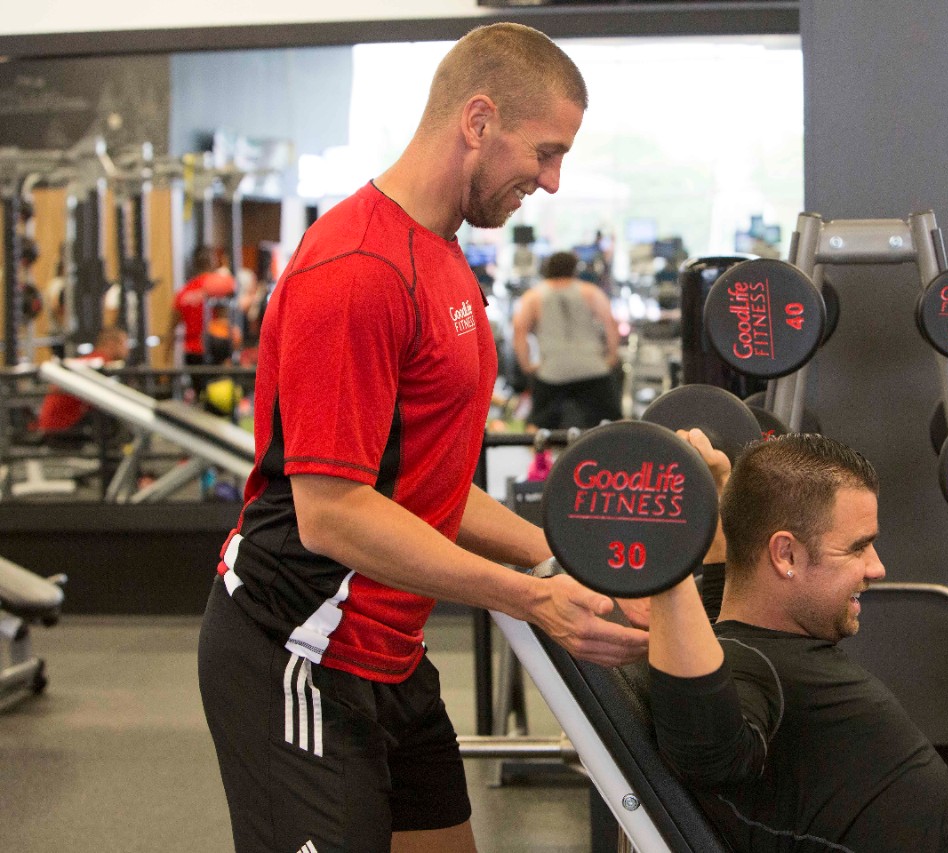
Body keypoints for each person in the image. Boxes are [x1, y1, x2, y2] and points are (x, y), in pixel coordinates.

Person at [197, 22, 648, 853]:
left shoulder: (441, 256)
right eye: (544, 153)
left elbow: (427, 485)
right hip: (298, 650)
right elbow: (331, 515)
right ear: (478, 121)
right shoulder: (358, 268)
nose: (551, 182)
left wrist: (562, 555)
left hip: (391, 653)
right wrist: (529, 596)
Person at [648, 432, 948, 852]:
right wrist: (663, 549)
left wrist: (718, 485)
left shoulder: (742, 629)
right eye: (858, 548)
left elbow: (728, 581)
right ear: (786, 555)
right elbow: (707, 751)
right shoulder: (748, 670)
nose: (877, 568)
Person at [511, 250, 621, 431]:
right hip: (592, 368)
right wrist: (611, 356)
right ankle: (618, 458)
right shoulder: (589, 291)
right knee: (615, 422)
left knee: (536, 426)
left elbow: (519, 331)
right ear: (574, 269)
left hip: (552, 372)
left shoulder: (533, 296)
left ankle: (539, 458)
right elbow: (611, 324)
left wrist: (527, 366)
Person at [36, 328, 129, 440]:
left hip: (54, 426)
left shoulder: (91, 361)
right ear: (111, 343)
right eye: (124, 344)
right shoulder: (100, 363)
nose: (127, 349)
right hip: (62, 429)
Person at [168, 245, 235, 395]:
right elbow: (224, 318)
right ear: (211, 262)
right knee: (218, 395)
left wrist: (166, 357)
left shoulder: (183, 292)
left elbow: (171, 327)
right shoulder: (220, 285)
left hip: (192, 352)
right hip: (214, 349)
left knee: (201, 394)